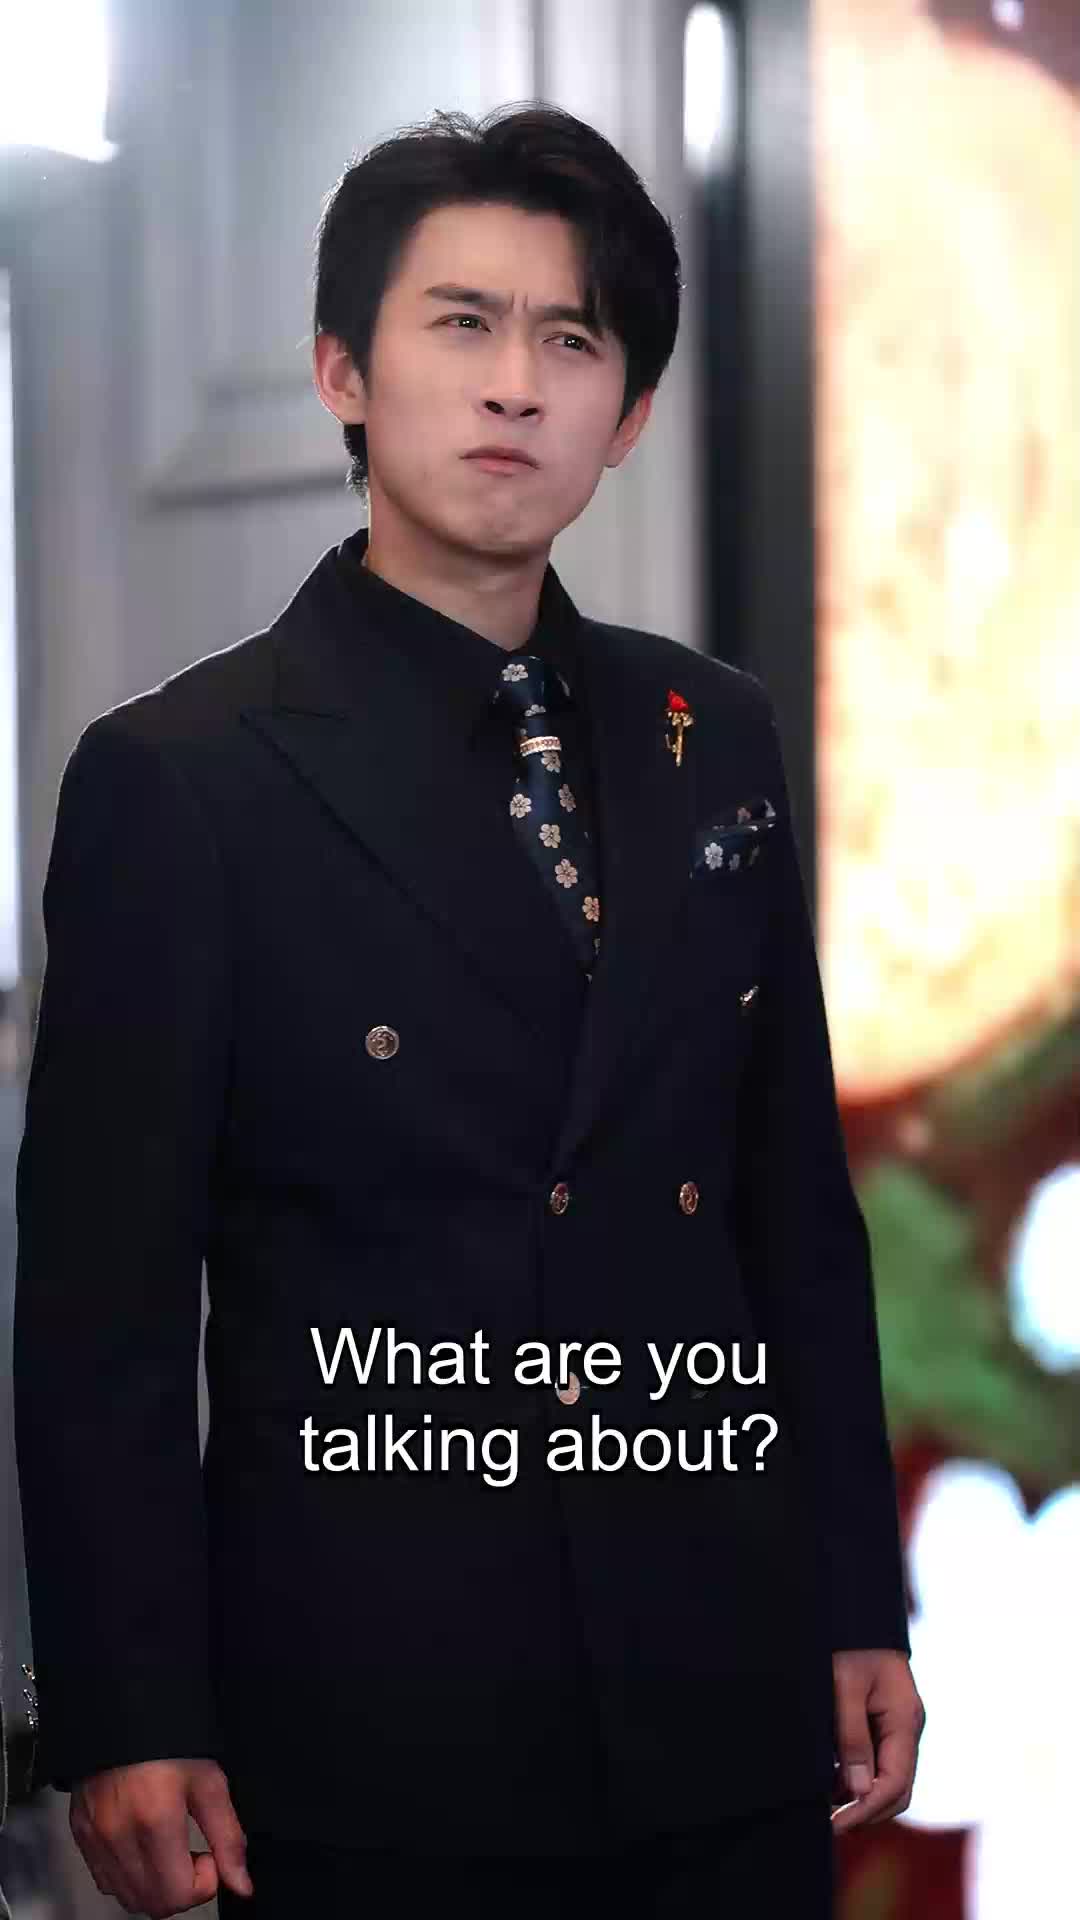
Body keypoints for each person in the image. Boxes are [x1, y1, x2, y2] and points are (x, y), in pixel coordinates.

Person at [12, 102, 924, 1918]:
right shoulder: (183, 777)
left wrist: (854, 1600)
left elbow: (790, 1216)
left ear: (629, 415)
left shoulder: (713, 732)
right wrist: (126, 1709)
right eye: (462, 324)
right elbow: (105, 1304)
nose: (517, 383)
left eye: (571, 340)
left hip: (717, 1688)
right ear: (343, 373)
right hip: (368, 1717)